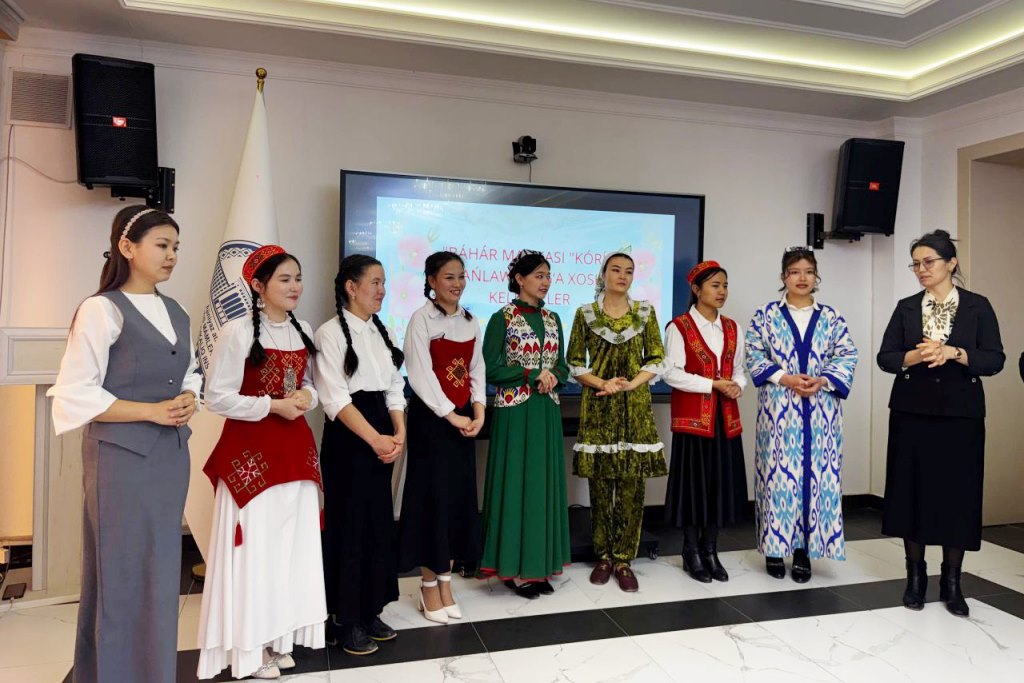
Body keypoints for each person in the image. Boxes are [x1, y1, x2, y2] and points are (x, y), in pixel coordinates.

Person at [48, 205, 200, 682]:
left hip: (169, 458)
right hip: (120, 462)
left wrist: (190, 396)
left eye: (176, 247)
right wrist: (150, 411)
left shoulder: (176, 311)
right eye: (162, 245)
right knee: (121, 575)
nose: (172, 255)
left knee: (158, 573)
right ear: (127, 247)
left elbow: (190, 372)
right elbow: (76, 392)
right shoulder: (101, 309)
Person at [196, 245, 326, 680]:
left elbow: (311, 385)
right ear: (258, 285)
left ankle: (279, 637)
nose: (295, 287)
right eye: (284, 279)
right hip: (251, 455)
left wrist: (306, 396)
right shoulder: (236, 332)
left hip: (295, 454)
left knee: (289, 550)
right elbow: (217, 397)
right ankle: (251, 649)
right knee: (257, 551)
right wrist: (272, 405)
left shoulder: (303, 329)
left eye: (298, 278)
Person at [877, 230, 1004, 617]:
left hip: (961, 414)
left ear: (951, 263)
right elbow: (886, 357)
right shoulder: (906, 307)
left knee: (957, 497)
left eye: (928, 261)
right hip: (911, 412)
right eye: (915, 263)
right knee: (910, 493)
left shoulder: (978, 306)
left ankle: (952, 582)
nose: (921, 269)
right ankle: (915, 579)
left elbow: (994, 359)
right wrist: (917, 355)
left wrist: (954, 352)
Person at [745, 247, 858, 583]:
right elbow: (753, 353)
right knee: (778, 478)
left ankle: (804, 551)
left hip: (821, 412)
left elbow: (847, 354)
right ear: (784, 277)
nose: (803, 278)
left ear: (816, 276)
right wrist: (786, 378)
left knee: (816, 479)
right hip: (779, 411)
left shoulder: (832, 317)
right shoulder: (765, 316)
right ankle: (774, 549)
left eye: (809, 271)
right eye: (795, 271)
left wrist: (822, 380)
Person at [315, 254, 406, 655]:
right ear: (351, 287)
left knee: (377, 525)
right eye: (375, 282)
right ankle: (343, 619)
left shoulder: (381, 331)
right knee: (349, 527)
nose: (382, 290)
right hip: (350, 438)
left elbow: (394, 388)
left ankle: (369, 609)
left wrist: (399, 433)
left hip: (382, 432)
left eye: (384, 282)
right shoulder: (330, 333)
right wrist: (376, 439)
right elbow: (335, 400)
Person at [566, 251, 666, 592]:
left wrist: (631, 384)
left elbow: (656, 357)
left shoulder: (645, 313)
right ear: (603, 274)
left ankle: (624, 559)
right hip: (598, 405)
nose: (622, 275)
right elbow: (574, 362)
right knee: (600, 484)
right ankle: (604, 556)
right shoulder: (585, 314)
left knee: (631, 486)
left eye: (629, 271)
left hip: (635, 407)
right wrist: (603, 383)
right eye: (616, 269)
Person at [397, 251, 486, 624]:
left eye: (461, 276)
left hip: (463, 422)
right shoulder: (421, 320)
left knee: (457, 502)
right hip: (432, 424)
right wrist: (451, 415)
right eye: (449, 277)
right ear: (432, 281)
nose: (457, 283)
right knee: (431, 502)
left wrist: (479, 411)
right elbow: (419, 374)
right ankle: (428, 585)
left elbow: (476, 369)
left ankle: (446, 582)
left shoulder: (470, 321)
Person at [479, 249, 572, 598]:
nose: (545, 282)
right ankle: (513, 568)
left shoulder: (553, 318)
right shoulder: (501, 318)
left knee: (541, 486)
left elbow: (562, 364)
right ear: (519, 279)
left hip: (546, 411)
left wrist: (553, 375)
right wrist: (530, 374)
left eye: (548, 276)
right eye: (538, 276)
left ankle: (538, 565)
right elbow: (490, 367)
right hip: (515, 413)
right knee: (517, 485)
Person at [663, 261, 747, 583]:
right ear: (697, 290)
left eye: (724, 285)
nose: (722, 291)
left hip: (725, 419)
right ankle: (691, 550)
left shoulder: (732, 328)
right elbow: (671, 373)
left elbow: (738, 369)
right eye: (715, 285)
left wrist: (738, 385)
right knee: (693, 486)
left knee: (719, 485)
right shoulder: (679, 327)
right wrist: (712, 384)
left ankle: (710, 549)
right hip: (693, 421)